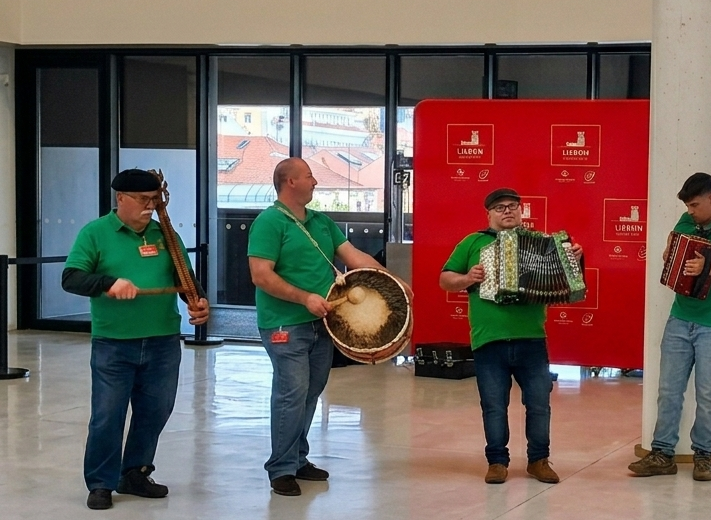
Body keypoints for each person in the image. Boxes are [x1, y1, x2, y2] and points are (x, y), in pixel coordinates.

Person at [248, 157, 410, 497]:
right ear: (290, 182)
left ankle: (297, 458)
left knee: (311, 391)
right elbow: (261, 275)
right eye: (309, 176)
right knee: (292, 393)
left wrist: (394, 280)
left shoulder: (321, 221)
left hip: (323, 323)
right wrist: (304, 297)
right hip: (284, 324)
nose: (315, 182)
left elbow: (354, 257)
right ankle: (281, 468)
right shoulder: (269, 222)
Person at [62, 168, 210, 510]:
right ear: (121, 198)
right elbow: (71, 278)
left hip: (162, 341)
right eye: (143, 199)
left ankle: (135, 472)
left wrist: (198, 301)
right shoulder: (96, 233)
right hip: (114, 343)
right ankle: (101, 483)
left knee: (155, 411)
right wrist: (108, 283)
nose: (150, 206)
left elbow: (185, 277)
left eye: (154, 200)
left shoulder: (165, 235)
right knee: (107, 415)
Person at [439, 187, 582, 485]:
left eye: (513, 206)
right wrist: (467, 278)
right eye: (500, 207)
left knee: (539, 404)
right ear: (488, 213)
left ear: (521, 210)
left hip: (531, 338)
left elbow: (570, 282)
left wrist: (572, 259)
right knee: (493, 405)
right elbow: (445, 279)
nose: (507, 211)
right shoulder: (473, 242)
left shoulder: (542, 243)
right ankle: (496, 462)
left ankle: (539, 460)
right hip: (488, 340)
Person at [628, 172, 711, 482]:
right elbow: (671, 251)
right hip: (680, 317)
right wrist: (670, 255)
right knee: (668, 390)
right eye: (687, 206)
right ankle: (662, 453)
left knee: (708, 394)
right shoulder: (686, 223)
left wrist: (707, 266)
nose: (690, 211)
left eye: (695, 205)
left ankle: (703, 455)